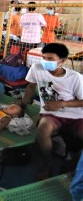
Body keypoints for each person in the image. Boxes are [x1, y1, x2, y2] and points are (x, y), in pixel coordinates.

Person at [20, 43, 83, 180]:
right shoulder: (36, 69)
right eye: (44, 57)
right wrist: (23, 104)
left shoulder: (75, 77)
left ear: (62, 60)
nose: (45, 62)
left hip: (76, 115)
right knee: (43, 129)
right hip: (51, 114)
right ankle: (48, 165)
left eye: (50, 59)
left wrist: (61, 104)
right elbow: (31, 87)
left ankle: (73, 163)